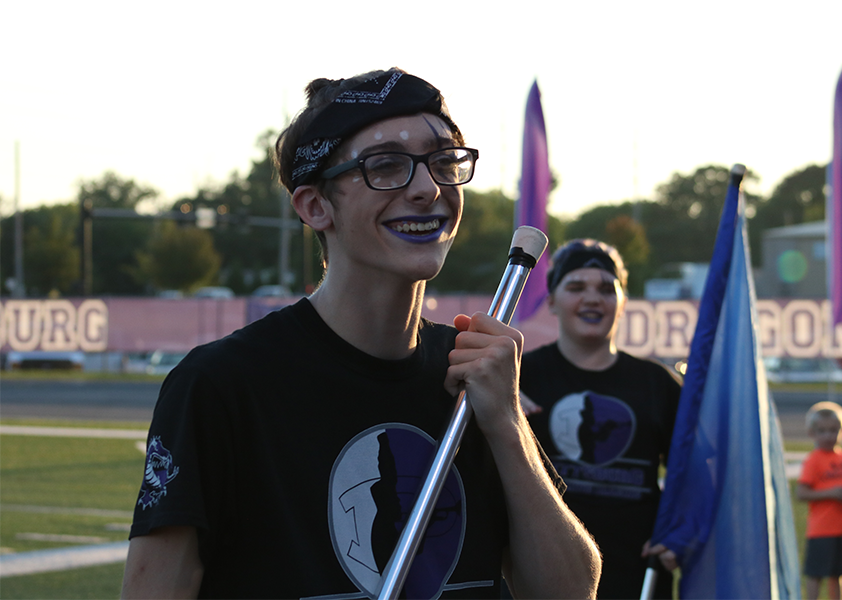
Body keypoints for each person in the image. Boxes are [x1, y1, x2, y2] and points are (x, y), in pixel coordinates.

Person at [120, 68, 600, 599]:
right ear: (315, 206)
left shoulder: (474, 373)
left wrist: (506, 423)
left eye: (443, 162)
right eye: (386, 166)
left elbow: (569, 593)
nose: (427, 189)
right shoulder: (221, 385)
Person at [518, 238, 681, 599]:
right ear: (551, 301)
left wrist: (680, 531)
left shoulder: (657, 384)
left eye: (607, 289)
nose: (592, 298)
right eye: (576, 287)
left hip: (636, 575)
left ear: (623, 303)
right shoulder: (518, 376)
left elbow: (696, 473)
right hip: (538, 574)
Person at [796, 401, 842, 600]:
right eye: (822, 431)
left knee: (837, 574)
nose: (828, 436)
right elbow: (801, 492)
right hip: (822, 528)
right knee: (816, 573)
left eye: (834, 431)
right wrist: (832, 493)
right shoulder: (814, 460)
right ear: (812, 433)